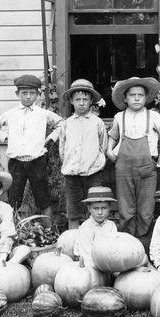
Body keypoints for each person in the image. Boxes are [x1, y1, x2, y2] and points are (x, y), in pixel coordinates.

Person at [107, 77, 160, 245]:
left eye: (140, 95)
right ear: (125, 98)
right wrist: (109, 150)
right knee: (125, 206)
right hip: (123, 166)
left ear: (146, 98)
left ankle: (144, 242)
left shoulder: (152, 116)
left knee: (146, 207)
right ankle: (127, 242)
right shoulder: (119, 117)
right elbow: (113, 136)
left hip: (146, 165)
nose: (136, 98)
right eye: (132, 95)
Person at [0, 74, 62, 217]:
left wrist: (51, 138)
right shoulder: (10, 114)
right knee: (14, 199)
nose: (28, 96)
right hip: (16, 162)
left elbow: (61, 123)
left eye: (32, 93)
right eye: (24, 93)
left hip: (37, 161)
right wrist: (6, 137)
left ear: (37, 94)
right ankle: (10, 231)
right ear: (17, 94)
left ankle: (49, 232)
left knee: (43, 199)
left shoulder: (43, 114)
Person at [58, 79, 108, 229]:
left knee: (94, 207)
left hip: (93, 172)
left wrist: (95, 162)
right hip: (72, 173)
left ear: (91, 101)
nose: (81, 103)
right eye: (77, 99)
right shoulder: (66, 124)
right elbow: (62, 148)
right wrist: (70, 163)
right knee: (73, 210)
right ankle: (73, 239)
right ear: (71, 101)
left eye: (85, 99)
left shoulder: (97, 123)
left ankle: (94, 238)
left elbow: (103, 146)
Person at [73, 186, 118, 267]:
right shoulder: (86, 228)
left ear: (110, 208)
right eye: (96, 208)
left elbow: (114, 249)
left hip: (106, 262)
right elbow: (87, 256)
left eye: (104, 208)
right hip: (89, 264)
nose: (100, 212)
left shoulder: (111, 226)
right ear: (89, 208)